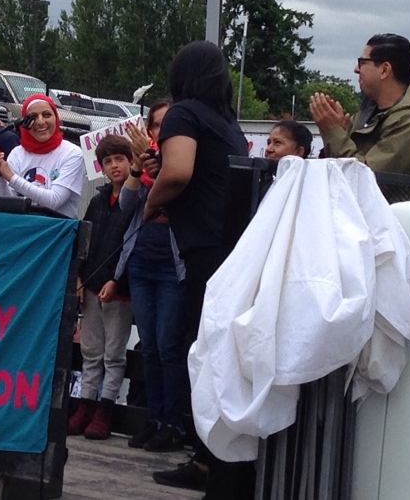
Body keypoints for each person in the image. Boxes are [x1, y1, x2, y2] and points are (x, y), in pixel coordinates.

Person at [143, 42, 251, 498]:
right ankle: (209, 459)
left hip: (203, 249)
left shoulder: (184, 113)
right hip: (230, 246)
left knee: (202, 354)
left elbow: (179, 172)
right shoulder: (227, 121)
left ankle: (213, 466)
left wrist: (151, 201)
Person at [121, 99, 189, 453]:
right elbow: (125, 206)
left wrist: (161, 167)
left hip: (172, 266)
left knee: (169, 346)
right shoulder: (143, 162)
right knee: (148, 348)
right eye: (156, 124)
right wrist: (136, 169)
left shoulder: (183, 162)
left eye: (167, 124)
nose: (160, 131)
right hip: (141, 262)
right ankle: (156, 416)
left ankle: (174, 422)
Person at [68, 135, 135, 441]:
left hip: (119, 290)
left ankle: (105, 409)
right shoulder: (97, 201)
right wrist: (80, 277)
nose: (114, 165)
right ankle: (85, 403)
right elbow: (87, 240)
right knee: (91, 350)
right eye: (108, 161)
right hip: (93, 285)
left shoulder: (136, 201)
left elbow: (130, 246)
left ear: (131, 161)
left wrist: (116, 280)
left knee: (114, 353)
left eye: (120, 159)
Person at [310, 33, 410, 177]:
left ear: (385, 70)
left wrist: (333, 131)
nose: (356, 69)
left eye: (362, 62)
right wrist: (336, 131)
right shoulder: (367, 113)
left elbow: (367, 179)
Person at [0, 94, 85, 217]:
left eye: (46, 115)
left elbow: (54, 201)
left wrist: (11, 178)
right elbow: (6, 205)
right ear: (24, 122)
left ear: (56, 118)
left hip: (57, 232)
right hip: (23, 230)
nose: (40, 122)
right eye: (33, 117)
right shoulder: (17, 153)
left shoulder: (72, 153)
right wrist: (0, 175)